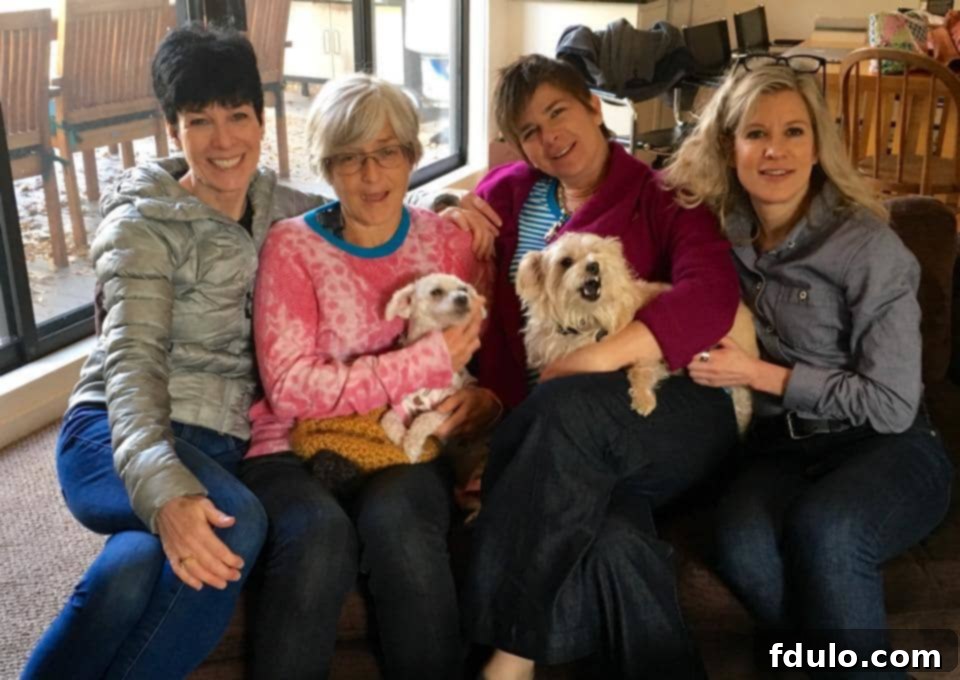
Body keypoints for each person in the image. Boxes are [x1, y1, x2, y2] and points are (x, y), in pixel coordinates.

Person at [21, 25, 324, 679]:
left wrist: (448, 204)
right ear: (172, 128)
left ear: (261, 119)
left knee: (130, 570)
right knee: (233, 520)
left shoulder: (283, 207)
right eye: (199, 121)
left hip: (213, 439)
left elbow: (363, 214)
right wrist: (165, 494)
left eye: (238, 116)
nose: (223, 141)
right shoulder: (141, 225)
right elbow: (132, 363)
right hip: (111, 431)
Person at [452, 54, 742, 679]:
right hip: (562, 446)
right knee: (611, 541)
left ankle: (510, 658)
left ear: (593, 107)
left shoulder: (661, 195)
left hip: (667, 410)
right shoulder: (507, 195)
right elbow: (443, 225)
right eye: (529, 130)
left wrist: (601, 355)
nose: (549, 136)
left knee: (561, 404)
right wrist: (455, 208)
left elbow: (712, 293)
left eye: (558, 112)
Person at [662, 62, 953, 676]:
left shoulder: (869, 247)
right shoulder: (718, 235)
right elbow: (628, 199)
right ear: (729, 146)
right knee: (742, 548)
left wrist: (761, 375)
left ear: (818, 145)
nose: (775, 151)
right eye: (756, 133)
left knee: (829, 531)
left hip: (888, 446)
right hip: (780, 453)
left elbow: (894, 404)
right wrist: (462, 206)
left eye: (794, 132)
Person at [238, 72, 492, 680]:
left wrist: (486, 400)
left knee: (403, 531)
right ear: (327, 166)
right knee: (318, 541)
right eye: (351, 159)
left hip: (402, 447)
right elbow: (292, 388)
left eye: (387, 153)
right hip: (291, 448)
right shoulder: (292, 247)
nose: (372, 175)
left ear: (411, 156)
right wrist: (422, 364)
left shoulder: (447, 243)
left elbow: (478, 357)